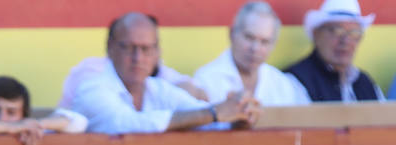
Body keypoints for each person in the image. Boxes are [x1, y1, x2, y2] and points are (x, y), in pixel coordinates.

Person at [70, 12, 261, 134]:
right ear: (110, 48)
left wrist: (238, 116)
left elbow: (207, 120)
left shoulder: (159, 90)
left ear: (157, 53)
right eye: (129, 48)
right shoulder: (92, 88)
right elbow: (127, 124)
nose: (138, 58)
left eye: (146, 49)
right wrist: (214, 112)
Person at [192, 2, 309, 107]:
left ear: (273, 44)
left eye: (264, 42)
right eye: (249, 37)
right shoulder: (205, 80)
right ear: (232, 34)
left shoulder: (283, 84)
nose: (255, 48)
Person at [285, 0, 384, 102]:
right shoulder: (295, 81)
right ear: (316, 34)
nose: (345, 41)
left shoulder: (365, 82)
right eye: (336, 31)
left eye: (354, 33)